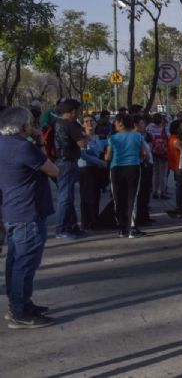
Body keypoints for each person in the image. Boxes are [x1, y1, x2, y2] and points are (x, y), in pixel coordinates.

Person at [0, 106, 59, 328]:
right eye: (31, 123)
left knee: (16, 261)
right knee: (24, 264)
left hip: (12, 210)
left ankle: (19, 303)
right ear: (23, 126)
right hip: (28, 211)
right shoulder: (24, 148)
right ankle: (20, 311)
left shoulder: (3, 144)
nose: (33, 126)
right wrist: (41, 142)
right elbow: (53, 170)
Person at [105, 113, 148, 238]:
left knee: (118, 198)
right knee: (132, 197)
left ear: (121, 123)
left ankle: (122, 227)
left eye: (116, 122)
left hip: (116, 169)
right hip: (133, 168)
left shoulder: (113, 138)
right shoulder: (137, 136)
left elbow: (108, 156)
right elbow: (143, 154)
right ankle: (132, 227)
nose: (114, 124)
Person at [53, 98, 86, 239]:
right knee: (65, 198)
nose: (79, 112)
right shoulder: (71, 125)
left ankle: (71, 226)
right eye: (78, 110)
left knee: (68, 197)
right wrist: (85, 136)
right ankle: (61, 229)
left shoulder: (57, 123)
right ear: (72, 112)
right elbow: (82, 144)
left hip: (59, 161)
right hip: (68, 162)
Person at [78, 114, 108, 231]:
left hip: (96, 169)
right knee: (87, 197)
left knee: (96, 196)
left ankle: (95, 220)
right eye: (86, 121)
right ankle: (86, 222)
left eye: (92, 121)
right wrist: (100, 162)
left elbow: (99, 150)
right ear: (82, 124)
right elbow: (83, 155)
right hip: (85, 169)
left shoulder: (96, 137)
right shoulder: (81, 137)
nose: (90, 123)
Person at [166, 119, 182, 218]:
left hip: (177, 166)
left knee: (180, 187)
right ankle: (180, 207)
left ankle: (180, 206)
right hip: (180, 167)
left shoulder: (172, 138)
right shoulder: (176, 140)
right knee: (181, 188)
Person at [146, 113, 169, 200]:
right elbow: (168, 137)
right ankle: (162, 192)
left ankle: (154, 192)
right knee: (163, 173)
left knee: (155, 172)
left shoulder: (149, 128)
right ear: (161, 120)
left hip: (153, 152)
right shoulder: (164, 128)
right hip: (163, 153)